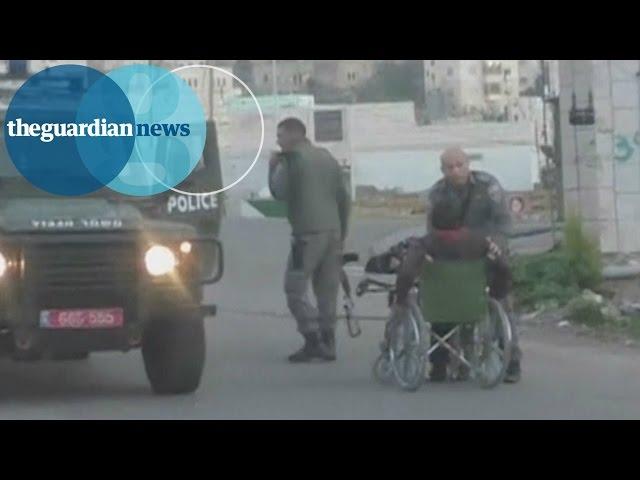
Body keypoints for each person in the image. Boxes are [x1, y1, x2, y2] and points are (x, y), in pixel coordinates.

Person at [425, 146, 522, 383]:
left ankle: (512, 360)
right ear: (442, 170)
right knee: (441, 295)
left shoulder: (487, 186)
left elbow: (503, 223)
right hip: (454, 254)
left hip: (487, 249)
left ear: (468, 165)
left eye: (460, 165)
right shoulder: (437, 193)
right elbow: (432, 229)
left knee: (501, 299)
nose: (456, 171)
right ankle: (440, 361)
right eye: (450, 167)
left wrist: (495, 245)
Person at [394, 201, 512, 381]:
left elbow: (407, 272)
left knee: (437, 315)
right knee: (464, 311)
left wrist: (400, 298)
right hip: (472, 304)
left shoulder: (425, 243)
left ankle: (439, 366)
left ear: (433, 221)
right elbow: (502, 267)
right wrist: (498, 292)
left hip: (436, 305)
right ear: (461, 220)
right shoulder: (479, 242)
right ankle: (466, 362)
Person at [268, 118, 351, 363]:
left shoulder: (292, 160)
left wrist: (273, 167)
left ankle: (312, 337)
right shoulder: (327, 157)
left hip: (306, 234)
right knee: (327, 290)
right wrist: (342, 232)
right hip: (333, 231)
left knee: (294, 288)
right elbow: (343, 198)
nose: (278, 141)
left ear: (293, 136)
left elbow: (279, 193)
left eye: (280, 136)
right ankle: (329, 340)